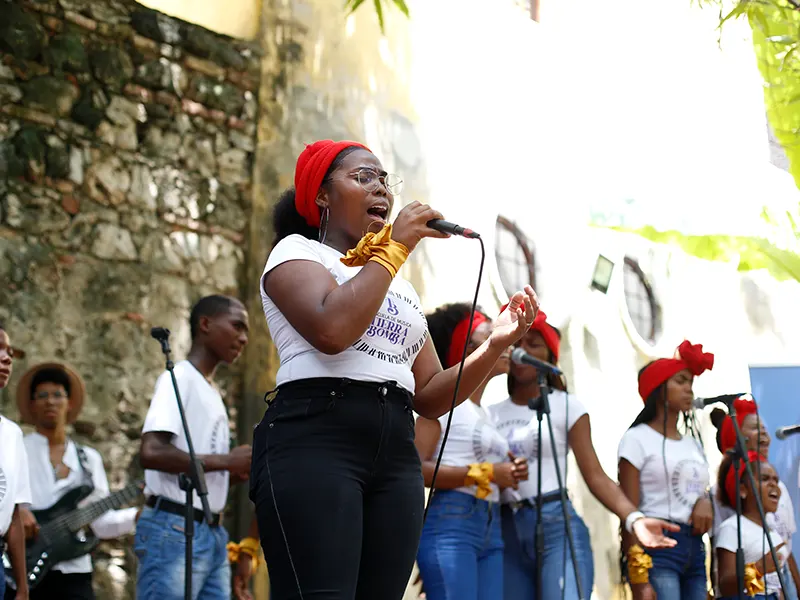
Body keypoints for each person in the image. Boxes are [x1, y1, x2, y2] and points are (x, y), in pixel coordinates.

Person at [251, 139, 540, 600]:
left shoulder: (398, 289)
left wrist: (498, 343)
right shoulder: (297, 254)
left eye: (384, 179)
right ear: (322, 196)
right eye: (362, 177)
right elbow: (331, 330)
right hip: (317, 435)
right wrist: (398, 244)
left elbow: (428, 394)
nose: (380, 188)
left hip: (394, 451)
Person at [492, 310, 681, 600]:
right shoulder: (491, 413)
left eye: (534, 344)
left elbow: (595, 476)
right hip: (505, 527)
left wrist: (634, 519)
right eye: (519, 342)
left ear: (550, 358)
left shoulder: (568, 406)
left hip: (557, 523)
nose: (523, 350)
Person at [137, 295, 253, 600]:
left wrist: (233, 470)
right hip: (175, 528)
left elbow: (203, 461)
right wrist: (228, 461)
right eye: (237, 326)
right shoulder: (180, 378)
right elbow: (151, 452)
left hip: (212, 532)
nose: (243, 338)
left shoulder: (211, 391)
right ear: (205, 324)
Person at [415, 304, 527, 600]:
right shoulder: (441, 403)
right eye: (493, 336)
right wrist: (488, 472)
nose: (507, 346)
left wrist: (509, 471)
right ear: (467, 347)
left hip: (490, 525)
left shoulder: (484, 413)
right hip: (452, 523)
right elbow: (414, 469)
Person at [13, 362, 138, 600]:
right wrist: (15, 512)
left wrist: (136, 517)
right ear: (31, 405)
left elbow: (99, 524)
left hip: (75, 572)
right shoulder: (15, 449)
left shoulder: (88, 459)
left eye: (58, 395)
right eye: (42, 395)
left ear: (69, 403)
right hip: (23, 569)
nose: (50, 401)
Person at [618, 340, 716, 600]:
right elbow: (627, 508)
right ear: (659, 389)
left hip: (694, 548)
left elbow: (693, 486)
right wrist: (638, 577)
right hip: (656, 546)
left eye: (691, 384)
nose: (689, 390)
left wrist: (705, 500)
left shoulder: (692, 442)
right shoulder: (637, 439)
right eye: (681, 382)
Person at [710, 397, 800, 599]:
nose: (765, 433)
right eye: (755, 428)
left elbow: (785, 545)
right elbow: (723, 569)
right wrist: (757, 569)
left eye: (764, 427)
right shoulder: (727, 511)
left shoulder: (780, 490)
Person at [716, 450, 788, 599]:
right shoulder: (732, 527)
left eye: (776, 480)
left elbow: (777, 587)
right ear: (743, 490)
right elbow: (725, 585)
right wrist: (758, 569)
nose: (774, 484)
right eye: (765, 479)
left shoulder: (775, 536)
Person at [0, 325, 31, 600]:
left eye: (8, 352)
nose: (7, 358)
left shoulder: (11, 434)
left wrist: (22, 587)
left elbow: (13, 517)